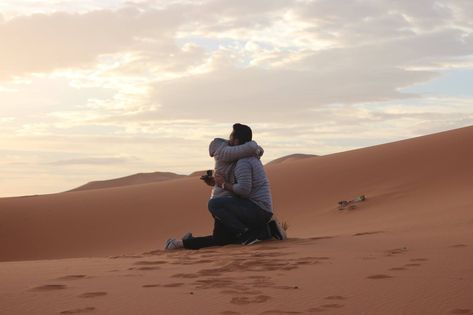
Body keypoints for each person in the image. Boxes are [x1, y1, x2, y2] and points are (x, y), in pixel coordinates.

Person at [165, 123, 281, 250]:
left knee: (214, 204)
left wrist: (222, 184)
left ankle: (248, 234)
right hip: (254, 209)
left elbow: (243, 190)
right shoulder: (244, 157)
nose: (229, 140)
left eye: (231, 137)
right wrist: (216, 182)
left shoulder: (243, 162)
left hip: (257, 210)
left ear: (236, 141)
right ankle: (181, 243)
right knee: (221, 239)